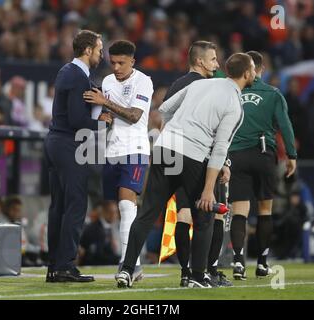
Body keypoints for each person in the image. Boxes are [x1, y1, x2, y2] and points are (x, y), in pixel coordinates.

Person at [116, 53, 256, 288]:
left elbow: (165, 108)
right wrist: (209, 189)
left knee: (147, 214)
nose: (255, 73)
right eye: (253, 69)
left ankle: (126, 270)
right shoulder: (235, 105)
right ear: (246, 74)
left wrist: (174, 131)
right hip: (192, 154)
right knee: (204, 218)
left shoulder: (201, 84)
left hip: (164, 147)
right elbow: (220, 148)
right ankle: (198, 277)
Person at [44, 30, 112, 283]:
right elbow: (77, 120)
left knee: (58, 207)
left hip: (55, 143)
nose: (101, 53)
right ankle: (66, 266)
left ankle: (54, 267)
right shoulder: (78, 77)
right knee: (75, 206)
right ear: (87, 50)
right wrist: (103, 123)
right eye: (99, 48)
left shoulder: (67, 71)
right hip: (69, 145)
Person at [162, 41, 232, 287]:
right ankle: (205, 272)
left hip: (175, 157)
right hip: (202, 159)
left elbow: (165, 117)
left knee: (184, 214)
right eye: (213, 59)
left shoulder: (177, 85)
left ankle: (185, 273)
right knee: (211, 216)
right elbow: (217, 129)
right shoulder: (212, 87)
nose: (217, 64)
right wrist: (224, 162)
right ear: (200, 61)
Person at [83, 40, 154, 281]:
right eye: (112, 62)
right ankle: (135, 264)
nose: (116, 67)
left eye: (121, 63)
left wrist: (106, 103)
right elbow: (107, 114)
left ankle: (128, 264)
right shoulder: (107, 82)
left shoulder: (143, 81)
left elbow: (135, 116)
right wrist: (103, 116)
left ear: (132, 61)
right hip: (111, 151)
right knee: (116, 209)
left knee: (126, 205)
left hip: (135, 149)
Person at [228, 51, 297, 280]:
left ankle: (238, 262)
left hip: (236, 155)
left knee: (240, 211)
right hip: (264, 154)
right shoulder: (273, 93)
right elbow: (285, 126)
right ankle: (262, 263)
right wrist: (292, 155)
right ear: (261, 69)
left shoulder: (231, 91)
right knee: (265, 210)